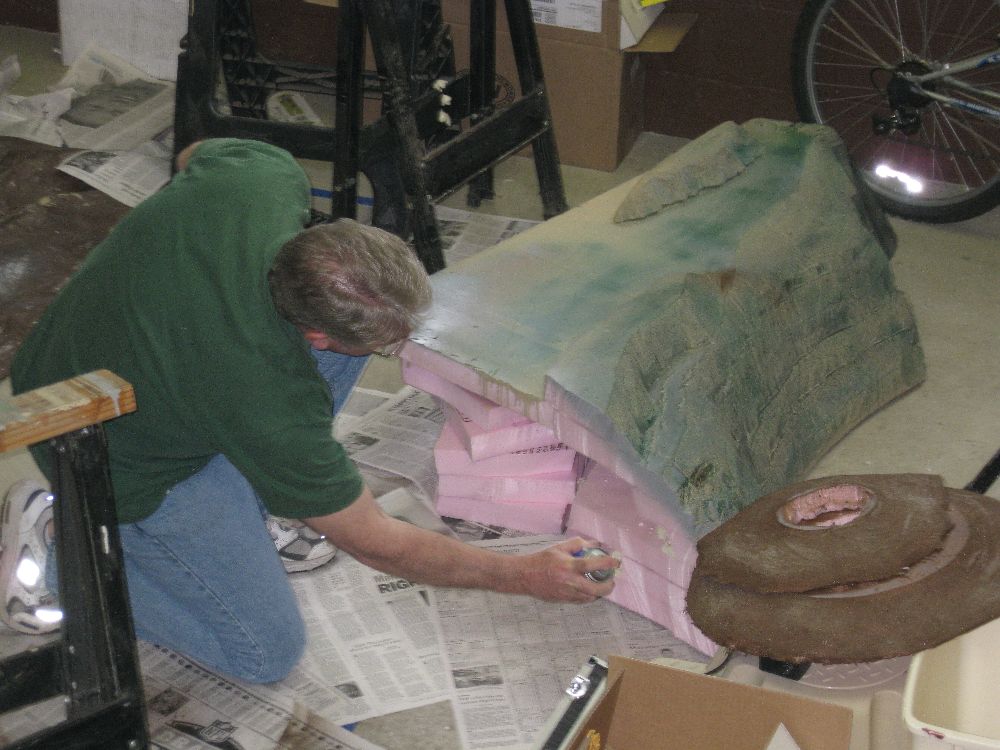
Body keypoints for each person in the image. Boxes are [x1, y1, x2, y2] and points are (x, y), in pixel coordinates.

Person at [0, 138, 617, 683]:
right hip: (105, 445)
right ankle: (56, 555)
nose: (394, 351)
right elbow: (380, 545)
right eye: (383, 346)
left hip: (79, 351)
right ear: (314, 335)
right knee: (262, 652)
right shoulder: (266, 397)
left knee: (335, 371)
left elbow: (194, 153)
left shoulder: (260, 178)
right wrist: (521, 575)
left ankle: (271, 498)